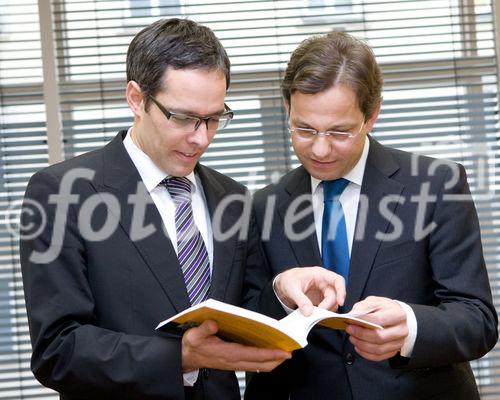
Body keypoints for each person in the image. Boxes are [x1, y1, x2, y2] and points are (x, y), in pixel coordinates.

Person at [19, 18, 346, 400]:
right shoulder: (65, 192)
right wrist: (180, 357)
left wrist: (281, 291)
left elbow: (244, 316)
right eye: (184, 118)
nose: (200, 138)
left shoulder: (231, 198)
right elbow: (58, 350)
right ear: (136, 99)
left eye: (213, 118)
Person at [244, 31, 498, 400]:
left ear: (372, 114)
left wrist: (410, 327)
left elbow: (478, 321)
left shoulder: (436, 184)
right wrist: (281, 295)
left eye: (339, 132)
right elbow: (253, 328)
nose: (320, 149)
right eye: (304, 129)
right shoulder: (264, 206)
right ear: (287, 107)